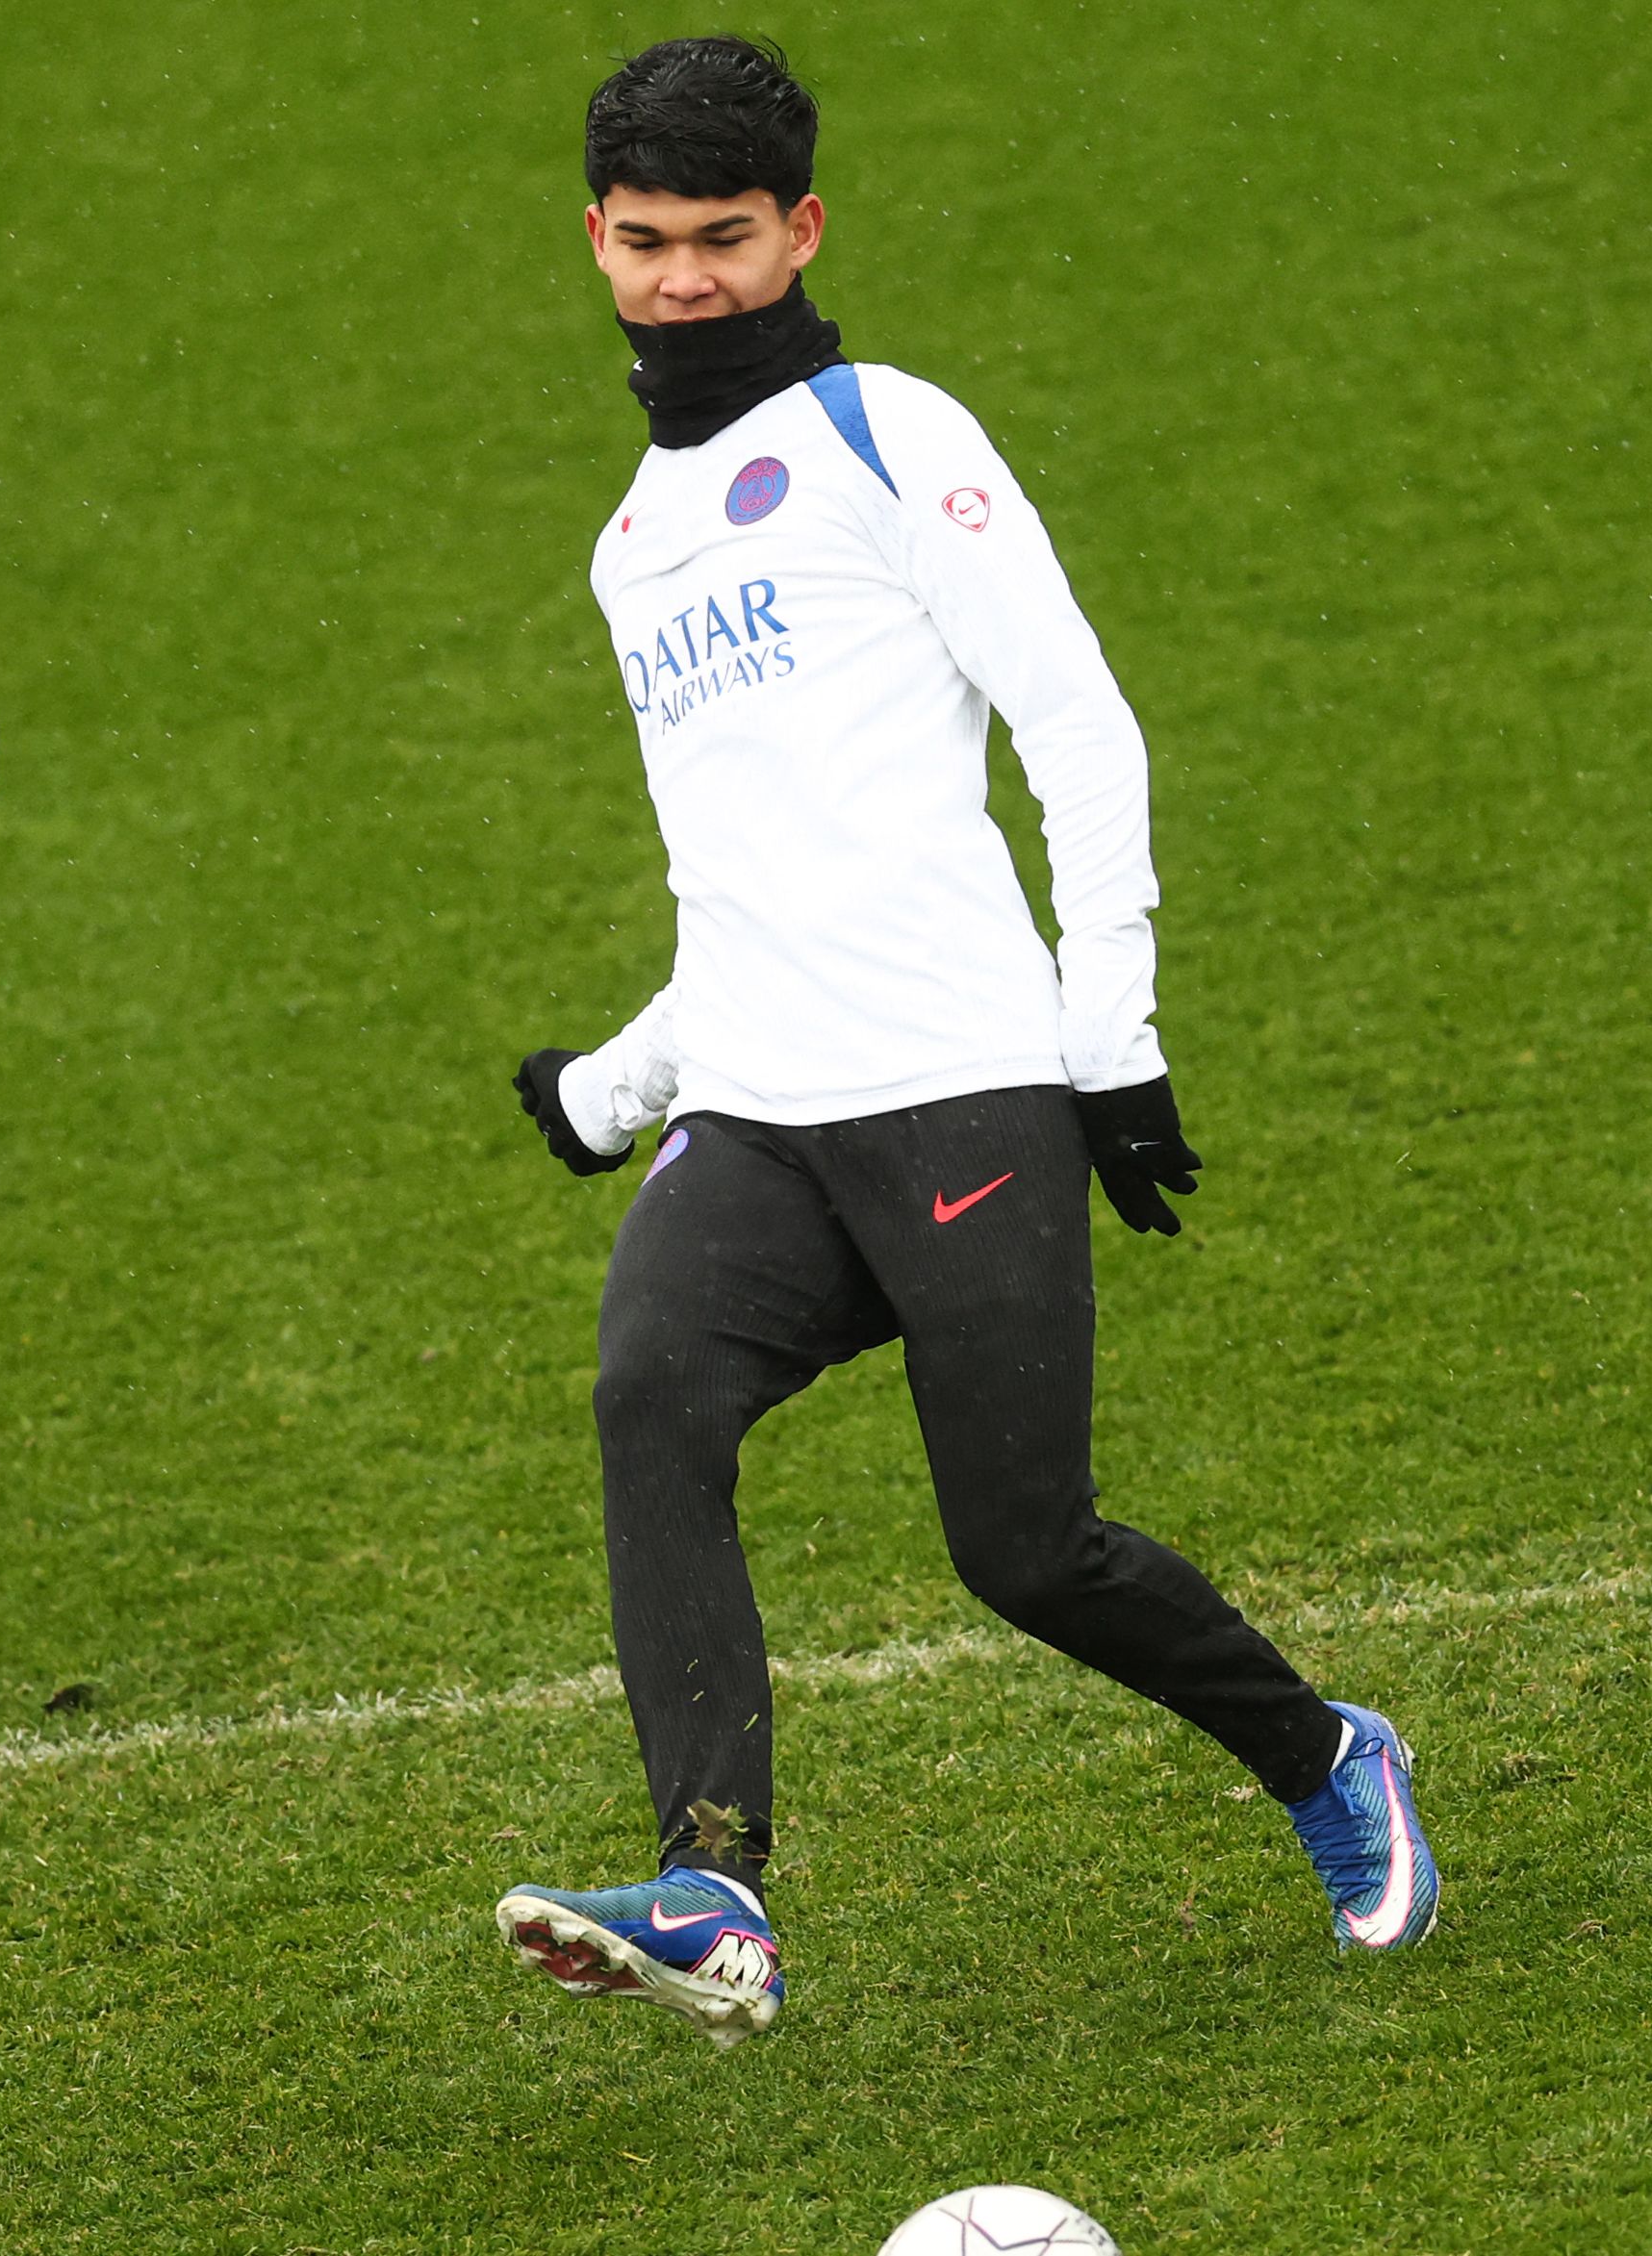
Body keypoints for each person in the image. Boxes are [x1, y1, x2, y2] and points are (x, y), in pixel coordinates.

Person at [489, 40, 1439, 2048]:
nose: (677, 280)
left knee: (1023, 1551)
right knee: (648, 1393)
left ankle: (1321, 1757)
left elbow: (1075, 725)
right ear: (592, 239)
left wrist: (1111, 1043)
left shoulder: (879, 434)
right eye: (641, 242)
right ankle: (710, 1887)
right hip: (755, 1106)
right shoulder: (629, 542)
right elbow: (740, 875)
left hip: (956, 1081)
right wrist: (616, 1085)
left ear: (797, 231)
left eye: (718, 239)